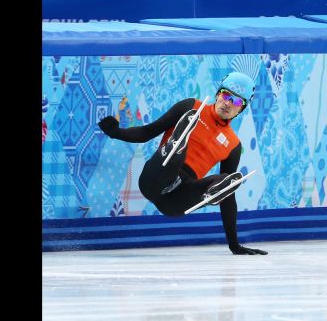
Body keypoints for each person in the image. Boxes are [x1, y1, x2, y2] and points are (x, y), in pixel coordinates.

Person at [97, 72, 268, 255]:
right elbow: (148, 131)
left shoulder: (234, 145)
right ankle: (176, 146)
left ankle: (209, 191)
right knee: (176, 153)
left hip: (175, 200)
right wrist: (116, 132)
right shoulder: (191, 106)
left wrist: (234, 245)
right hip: (155, 178)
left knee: (227, 181)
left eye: (236, 102)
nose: (227, 103)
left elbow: (228, 199)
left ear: (241, 110)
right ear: (218, 94)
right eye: (226, 95)